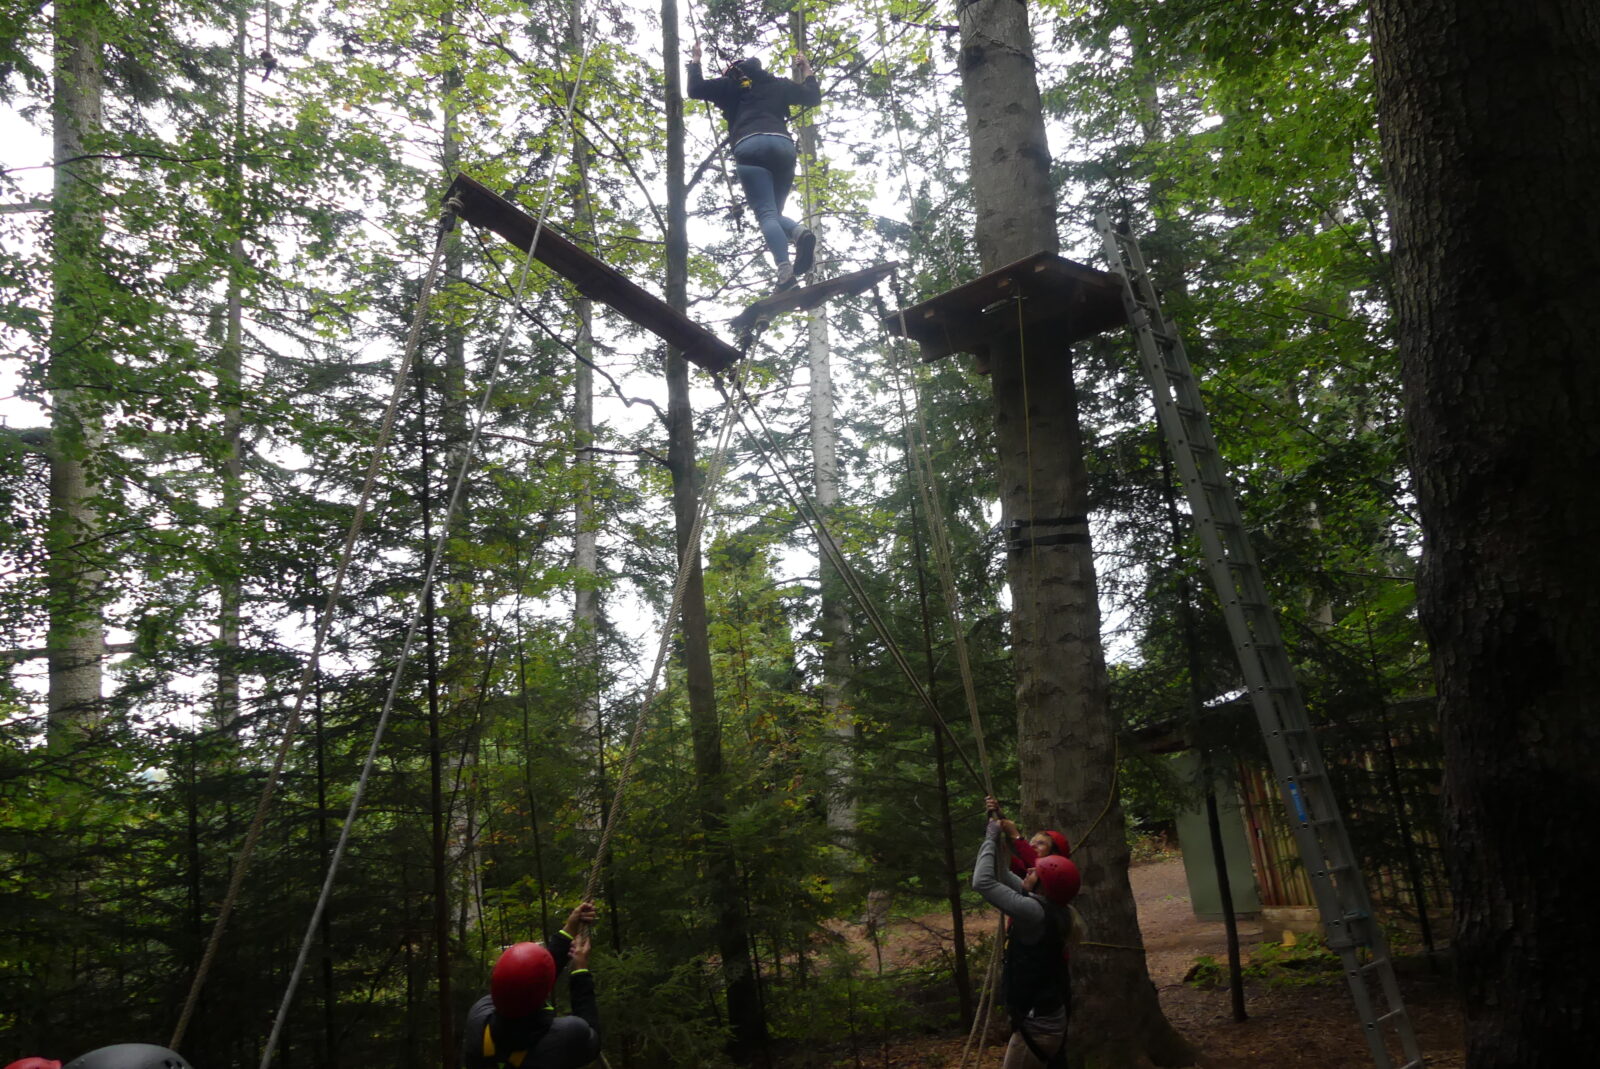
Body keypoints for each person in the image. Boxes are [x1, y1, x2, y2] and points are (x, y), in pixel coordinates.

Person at [687, 42, 821, 292]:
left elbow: (694, 89)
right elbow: (812, 97)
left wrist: (696, 60)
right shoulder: (776, 84)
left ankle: (785, 273)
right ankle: (799, 232)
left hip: (750, 146)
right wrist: (806, 68)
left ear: (733, 72)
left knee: (767, 215)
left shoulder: (729, 85)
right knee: (774, 213)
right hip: (782, 146)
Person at [974, 814, 1082, 1069]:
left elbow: (982, 882)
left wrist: (990, 837)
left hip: (1038, 1026)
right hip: (1041, 1019)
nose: (1030, 868)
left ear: (1043, 884)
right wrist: (998, 843)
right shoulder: (1047, 905)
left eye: (1037, 870)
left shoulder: (1035, 911)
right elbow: (1001, 874)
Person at [462, 902, 602, 1069]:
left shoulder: (478, 1018)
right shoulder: (564, 1037)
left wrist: (568, 930)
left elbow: (525, 980)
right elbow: (592, 1039)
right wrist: (580, 971)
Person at [987, 795, 1070, 878]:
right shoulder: (1023, 871)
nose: (1033, 845)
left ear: (1054, 854)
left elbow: (1039, 867)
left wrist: (1016, 836)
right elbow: (1007, 856)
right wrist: (998, 816)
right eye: (1032, 841)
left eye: (1041, 843)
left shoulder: (1054, 878)